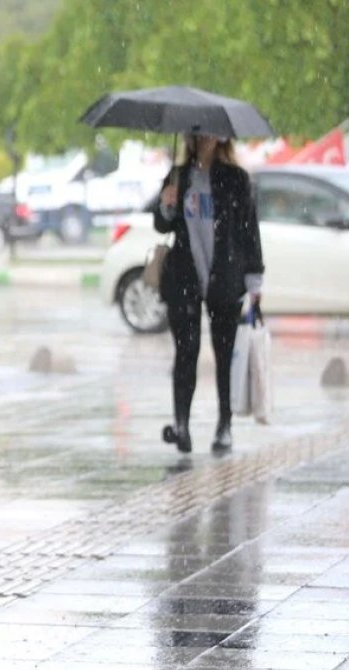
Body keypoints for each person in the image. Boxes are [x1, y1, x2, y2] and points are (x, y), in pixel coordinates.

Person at [154, 132, 264, 454]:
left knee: (224, 354)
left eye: (208, 133)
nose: (200, 139)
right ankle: (181, 426)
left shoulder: (235, 179)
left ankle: (224, 425)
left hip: (225, 278)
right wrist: (166, 205)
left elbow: (248, 229)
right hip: (184, 278)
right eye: (195, 133)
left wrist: (255, 279)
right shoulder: (177, 176)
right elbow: (161, 225)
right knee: (185, 352)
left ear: (220, 138)